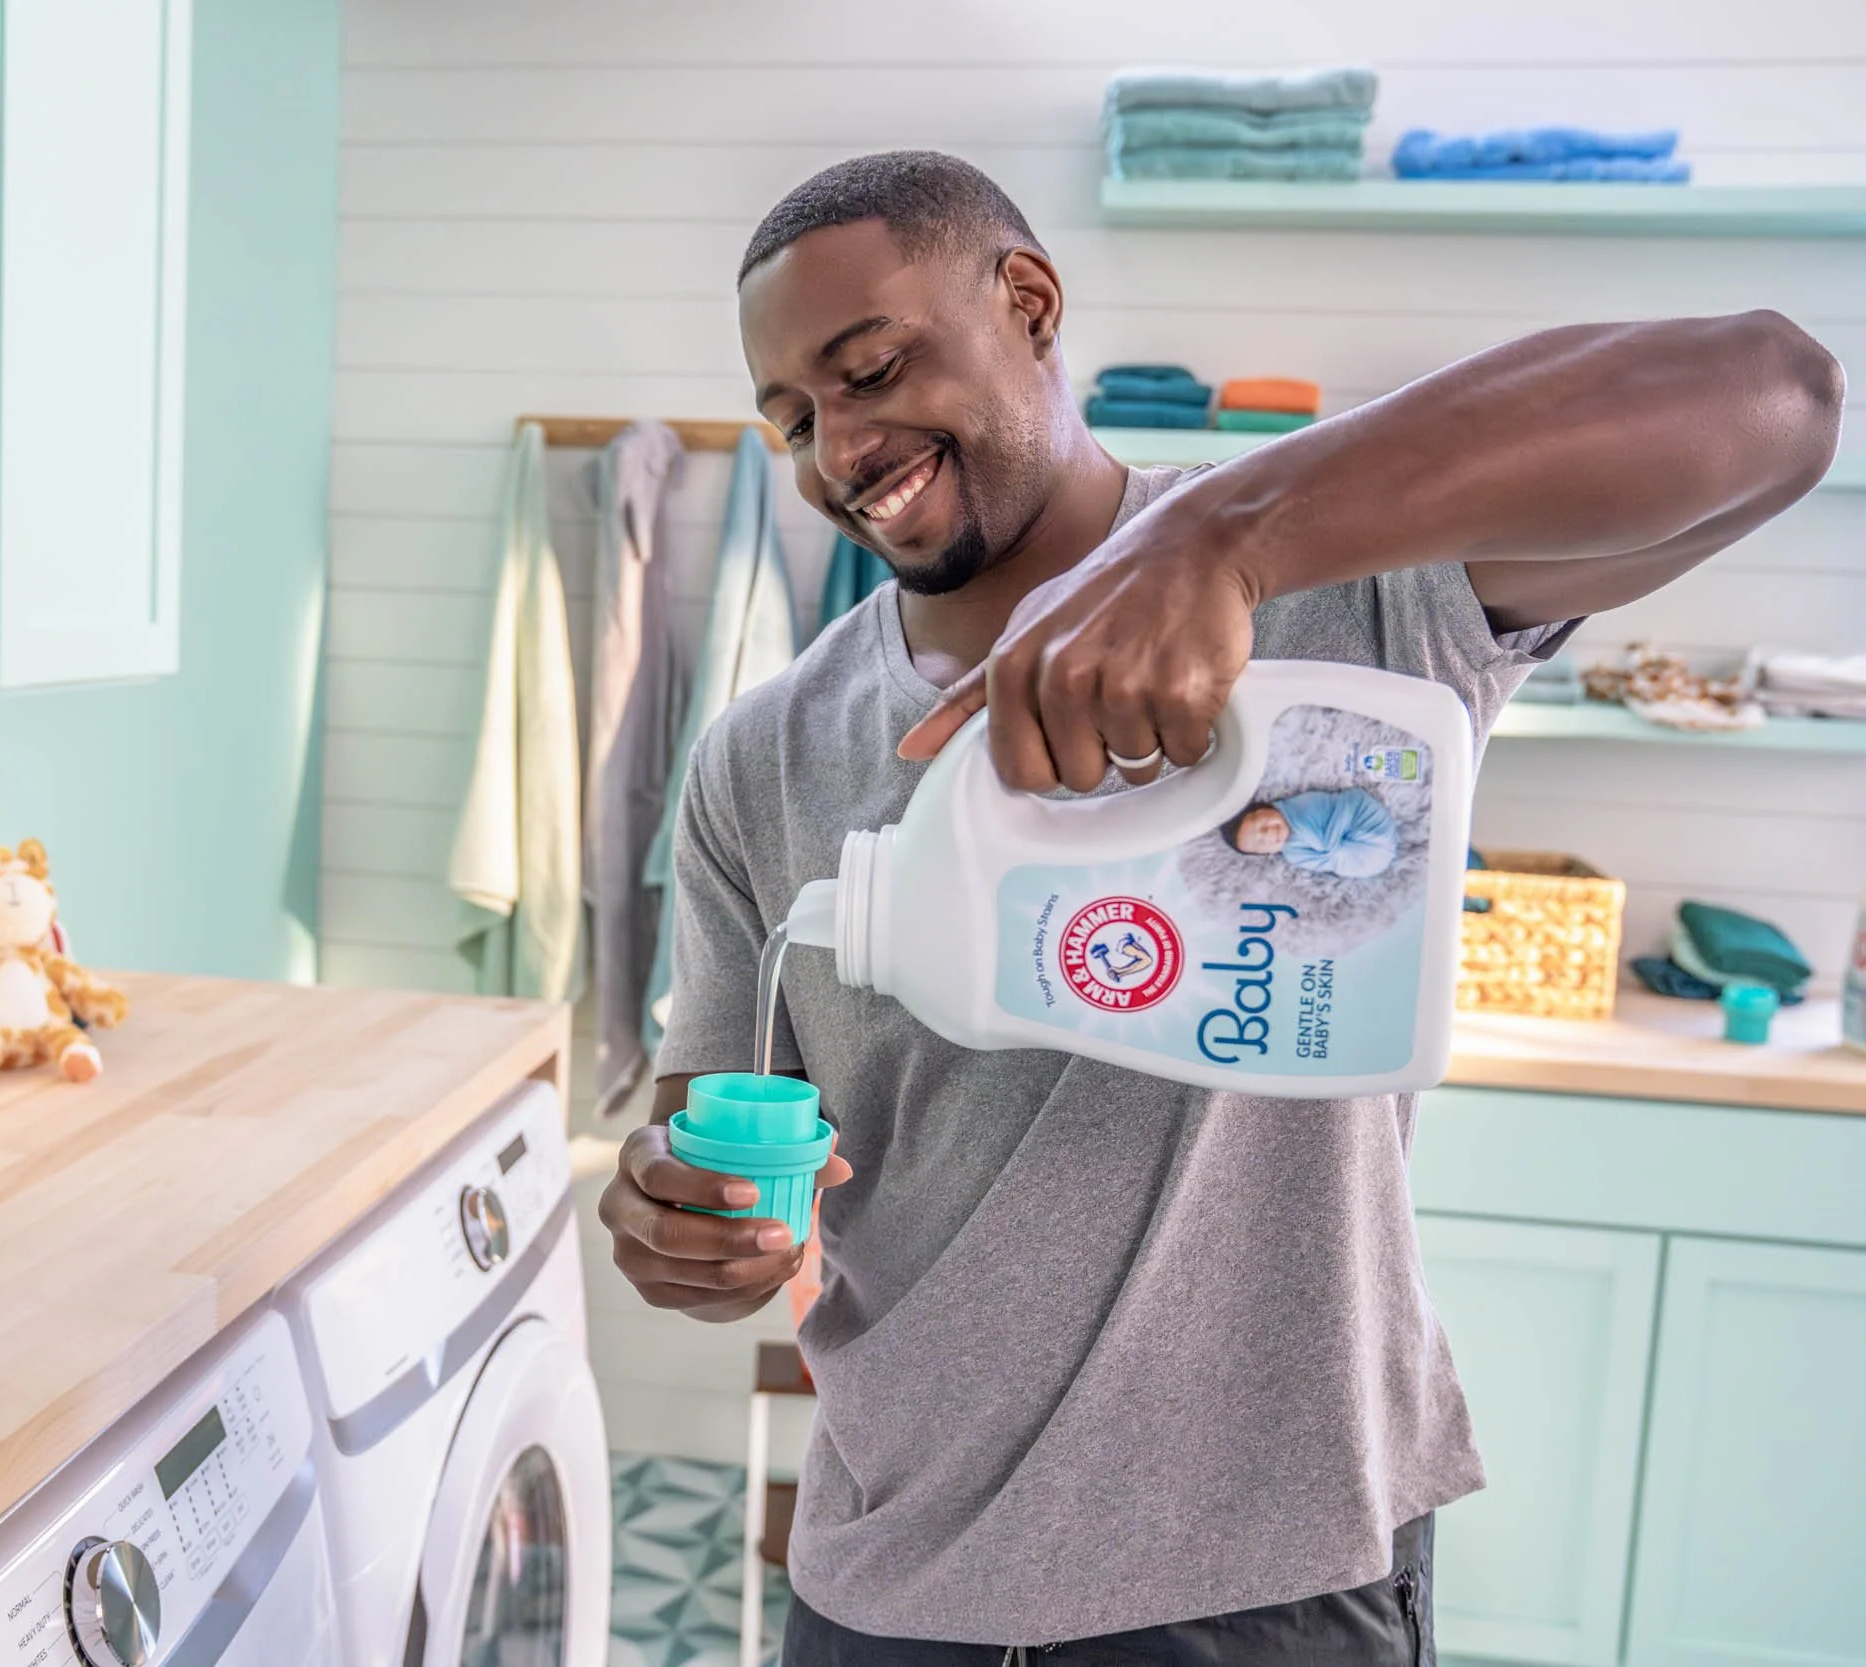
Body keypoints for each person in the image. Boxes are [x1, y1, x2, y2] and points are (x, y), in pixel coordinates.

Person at [597, 150, 1841, 1664]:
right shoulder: (762, 755)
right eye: (792, 420)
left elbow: (1775, 395)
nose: (837, 446)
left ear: (1032, 302)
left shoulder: (1344, 599)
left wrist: (1224, 538)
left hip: (1264, 1578)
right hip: (888, 1584)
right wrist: (679, 1209)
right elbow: (710, 1123)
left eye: (870, 369)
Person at [1225, 788, 1399, 878]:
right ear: (1267, 853)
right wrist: (1332, 853)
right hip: (1367, 859)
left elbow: (1340, 809)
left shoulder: (1299, 807)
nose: (1268, 834)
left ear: (1262, 808)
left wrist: (1330, 848)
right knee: (1340, 857)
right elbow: (1323, 864)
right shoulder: (1292, 855)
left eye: (1260, 824)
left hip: (1359, 818)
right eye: (1261, 843)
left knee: (1340, 849)